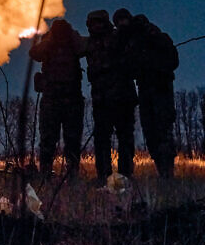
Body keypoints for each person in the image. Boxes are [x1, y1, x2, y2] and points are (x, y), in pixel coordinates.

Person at [84, 10, 137, 186]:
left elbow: (130, 59)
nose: (96, 26)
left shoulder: (118, 38)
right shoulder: (89, 43)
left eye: (99, 23)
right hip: (101, 100)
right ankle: (103, 176)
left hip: (122, 98)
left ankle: (125, 175)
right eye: (93, 24)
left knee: (125, 138)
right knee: (101, 139)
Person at [29, 19, 85, 179]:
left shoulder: (73, 42)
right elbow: (34, 53)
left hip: (71, 99)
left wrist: (70, 35)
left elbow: (83, 48)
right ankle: (46, 174)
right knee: (48, 140)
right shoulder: (49, 43)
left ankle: (72, 174)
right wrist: (50, 39)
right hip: (52, 100)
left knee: (72, 140)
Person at [125, 12, 178, 177]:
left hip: (161, 90)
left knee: (163, 131)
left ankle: (167, 172)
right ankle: (161, 169)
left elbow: (173, 62)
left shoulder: (160, 39)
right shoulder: (135, 44)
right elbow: (131, 68)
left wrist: (155, 66)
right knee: (150, 133)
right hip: (145, 92)